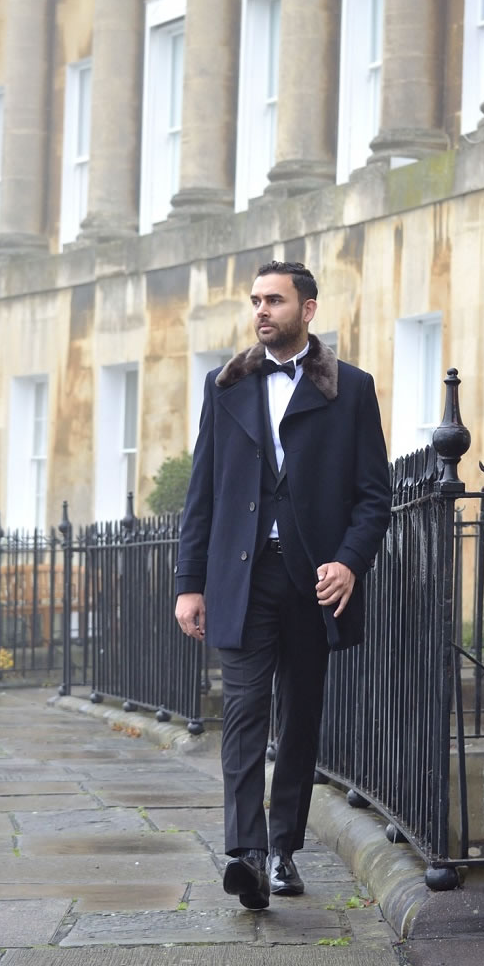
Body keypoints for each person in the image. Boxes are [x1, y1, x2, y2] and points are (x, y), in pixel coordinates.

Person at [175, 261, 391, 910]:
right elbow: (202, 493)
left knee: (299, 719)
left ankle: (283, 851)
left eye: (275, 300)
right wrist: (190, 583)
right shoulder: (227, 387)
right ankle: (244, 852)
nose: (262, 310)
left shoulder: (349, 390)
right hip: (241, 576)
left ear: (309, 309)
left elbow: (375, 497)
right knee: (243, 713)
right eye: (256, 300)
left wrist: (349, 562)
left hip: (312, 581)